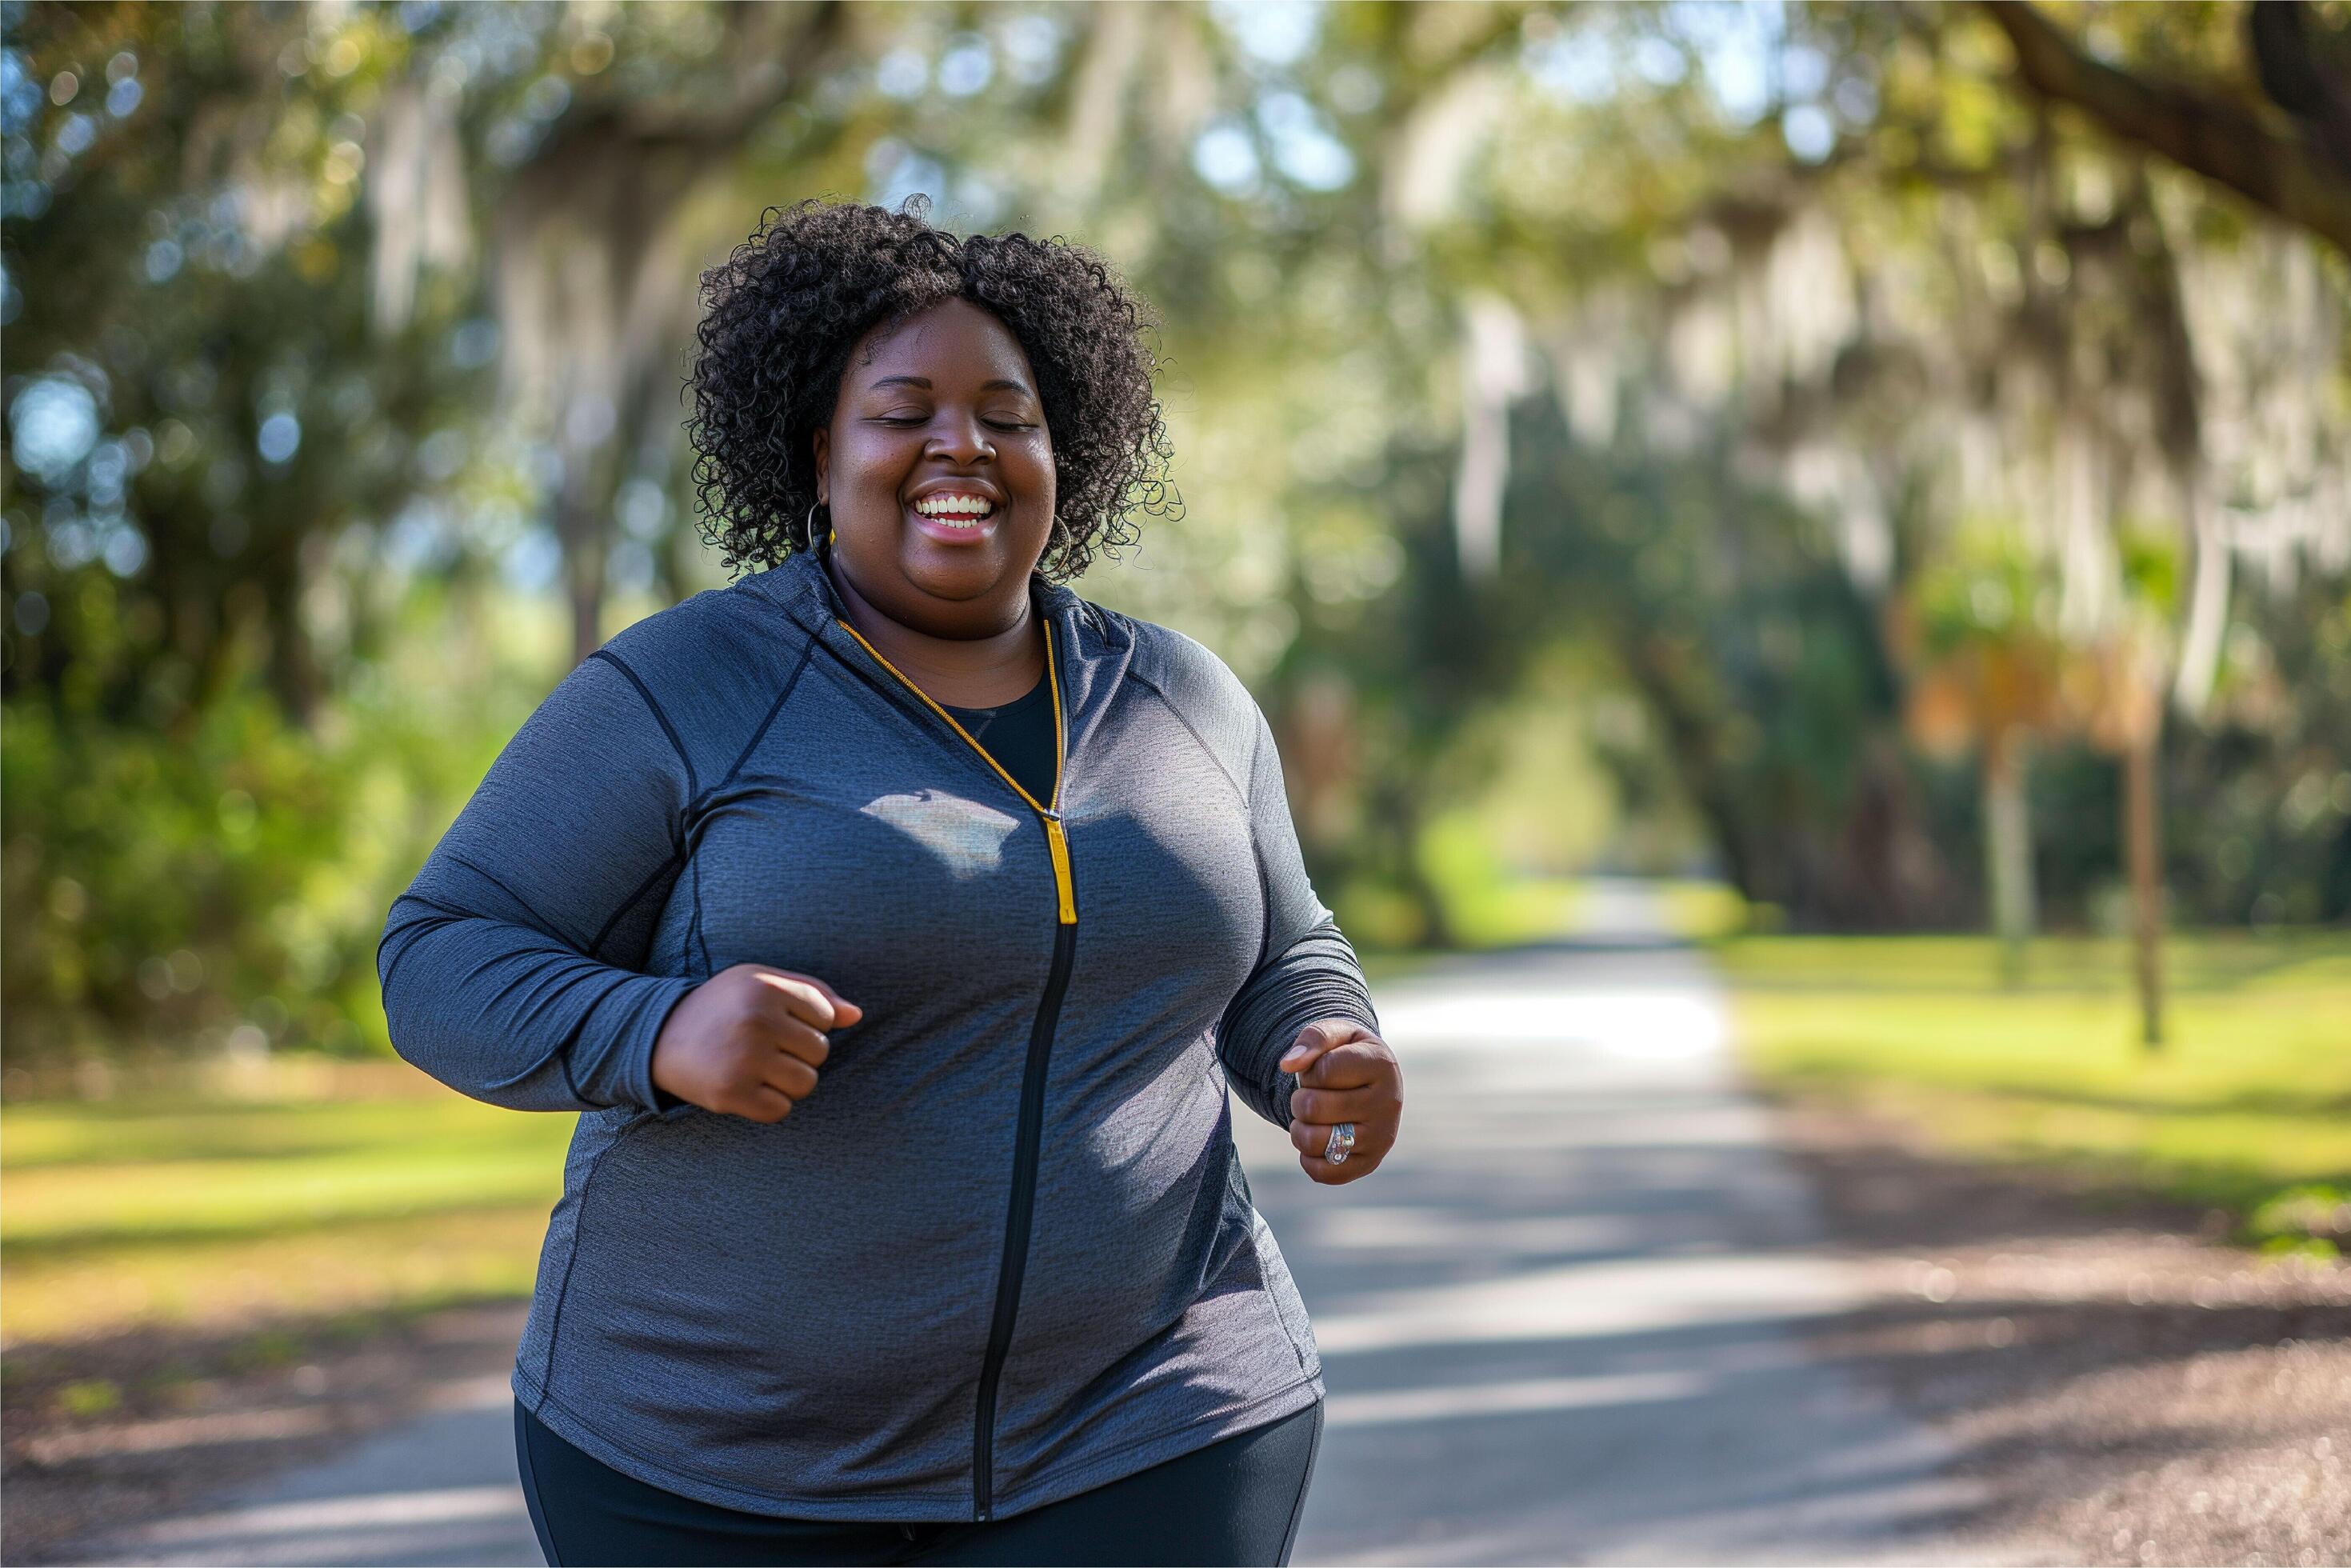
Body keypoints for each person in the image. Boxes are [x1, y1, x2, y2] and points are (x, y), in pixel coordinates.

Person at [377, 194, 1404, 1567]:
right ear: (817, 451)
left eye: (1008, 413)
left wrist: (1324, 1052)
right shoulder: (690, 686)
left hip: (1154, 1425)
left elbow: (1288, 950)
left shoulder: (1182, 701)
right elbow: (441, 952)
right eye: (902, 409)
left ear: (1064, 452)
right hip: (711, 1460)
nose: (961, 444)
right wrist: (658, 1033)